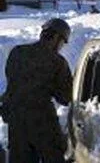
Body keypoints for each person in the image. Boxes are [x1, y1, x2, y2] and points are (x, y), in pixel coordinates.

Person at [3, 18, 73, 163]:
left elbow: (12, 82)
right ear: (56, 38)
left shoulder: (17, 52)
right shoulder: (57, 62)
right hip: (42, 123)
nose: (61, 46)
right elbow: (65, 98)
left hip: (16, 121)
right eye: (62, 42)